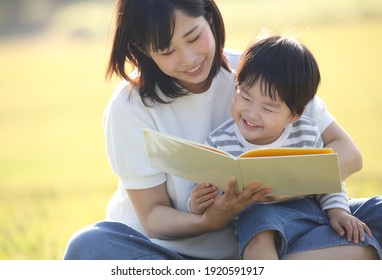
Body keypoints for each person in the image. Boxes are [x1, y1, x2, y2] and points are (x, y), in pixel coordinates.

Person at [63, 0, 382, 260]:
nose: (189, 59)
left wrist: (286, 186)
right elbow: (153, 218)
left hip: (279, 233)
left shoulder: (260, 71)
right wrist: (207, 220)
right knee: (88, 246)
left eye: (193, 37)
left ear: (209, 14)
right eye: (166, 51)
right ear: (143, 50)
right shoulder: (130, 108)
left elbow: (349, 156)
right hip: (169, 254)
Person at [188, 34, 381, 259]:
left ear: (295, 114)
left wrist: (338, 211)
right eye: (245, 97)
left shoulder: (307, 133)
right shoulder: (218, 142)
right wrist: (196, 203)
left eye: (268, 108)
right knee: (256, 222)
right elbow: (204, 193)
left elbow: (328, 179)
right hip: (262, 222)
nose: (251, 113)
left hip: (311, 212)